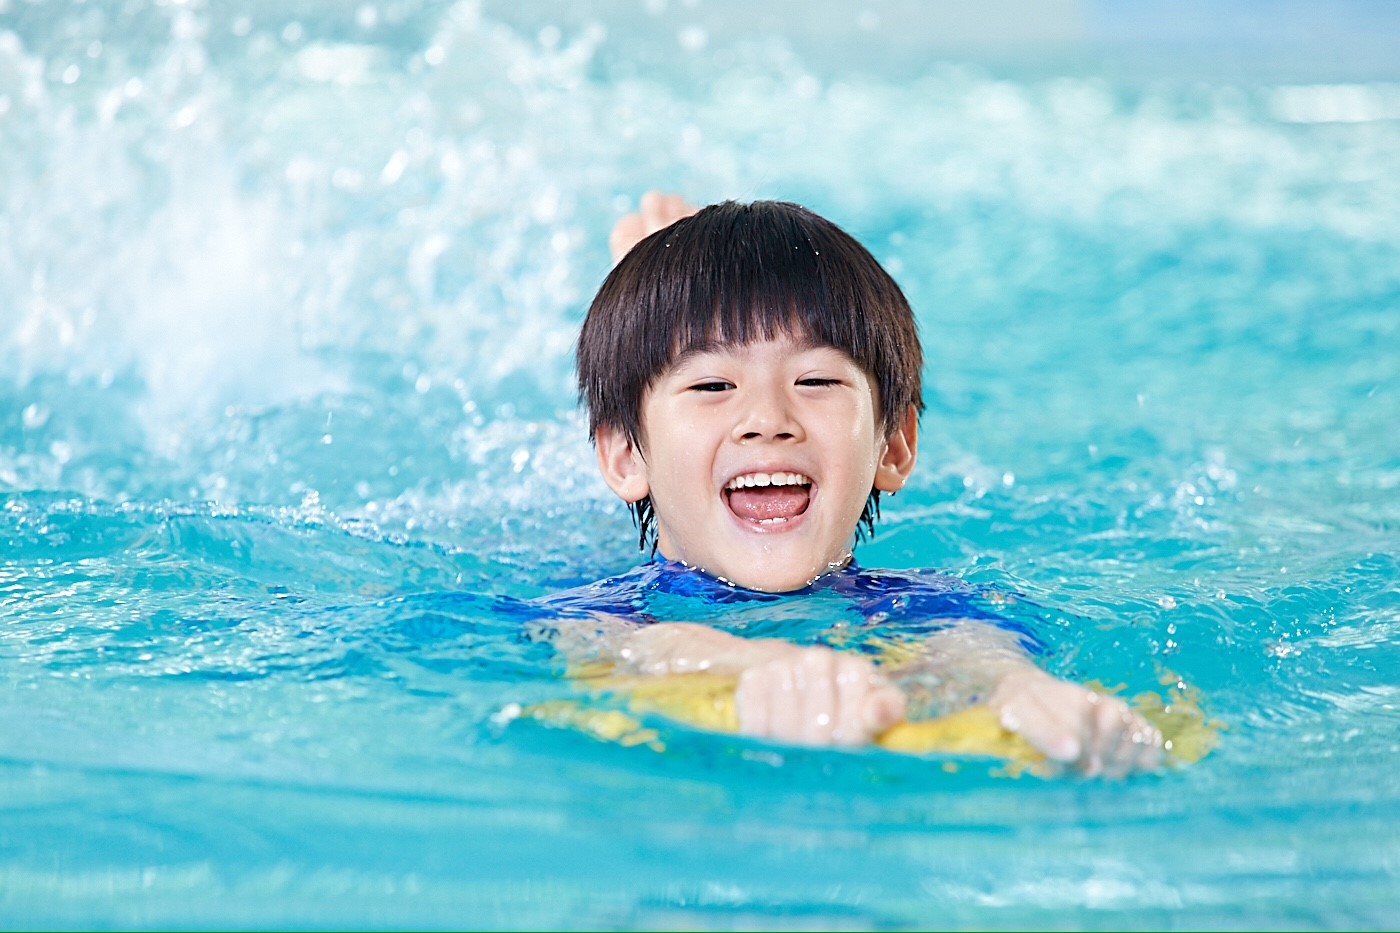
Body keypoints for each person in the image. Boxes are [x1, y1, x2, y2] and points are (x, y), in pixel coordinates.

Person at [549, 192, 1162, 777]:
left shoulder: (913, 610)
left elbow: (969, 651)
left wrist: (1025, 693)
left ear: (893, 447)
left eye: (815, 381)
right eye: (713, 386)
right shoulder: (605, 612)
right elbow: (619, 650)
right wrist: (752, 664)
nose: (768, 420)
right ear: (627, 455)